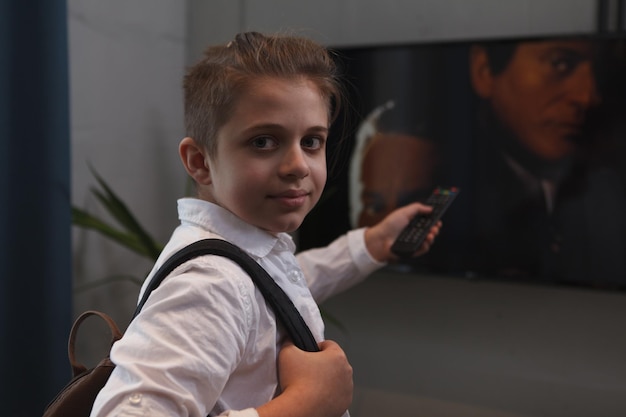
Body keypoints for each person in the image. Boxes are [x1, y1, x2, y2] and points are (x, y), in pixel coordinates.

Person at [90, 31, 440, 417]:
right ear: (200, 162)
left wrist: (371, 244)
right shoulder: (208, 283)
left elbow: (274, 289)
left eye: (311, 142)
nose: (298, 166)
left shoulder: (240, 259)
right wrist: (305, 404)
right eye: (263, 142)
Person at [466, 38, 626, 285]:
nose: (587, 97)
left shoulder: (606, 192)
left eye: (599, 73)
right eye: (560, 64)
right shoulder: (445, 188)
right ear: (484, 70)